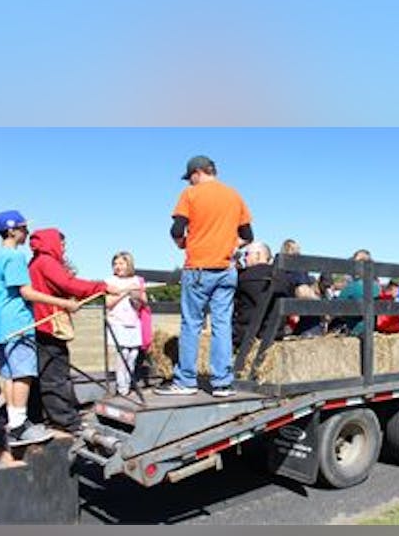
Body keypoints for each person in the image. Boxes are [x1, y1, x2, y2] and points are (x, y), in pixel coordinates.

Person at [155, 155, 253, 397]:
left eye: (190, 178)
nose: (189, 182)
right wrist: (231, 245)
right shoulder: (234, 195)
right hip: (226, 269)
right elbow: (248, 235)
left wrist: (184, 243)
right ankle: (221, 383)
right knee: (221, 325)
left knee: (192, 324)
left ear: (198, 172)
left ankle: (186, 381)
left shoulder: (191, 194)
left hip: (198, 267)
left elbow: (176, 230)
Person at [0, 211, 79, 464]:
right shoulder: (15, 256)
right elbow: (27, 293)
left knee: (7, 374)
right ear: (11, 231)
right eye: (23, 228)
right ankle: (18, 427)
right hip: (17, 323)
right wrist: (64, 303)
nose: (26, 233)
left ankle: (14, 419)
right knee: (23, 374)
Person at [28, 228, 116, 435]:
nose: (64, 248)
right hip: (48, 324)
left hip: (39, 322)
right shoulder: (47, 261)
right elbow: (67, 284)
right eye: (62, 244)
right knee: (55, 374)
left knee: (42, 374)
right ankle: (65, 421)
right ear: (52, 243)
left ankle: (42, 416)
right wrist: (102, 287)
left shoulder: (36, 261)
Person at [232, 241, 293, 351]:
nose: (244, 258)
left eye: (247, 254)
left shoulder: (243, 277)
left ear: (258, 255)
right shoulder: (284, 278)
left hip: (245, 338)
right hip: (276, 335)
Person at [105, 251, 147, 397]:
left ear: (128, 264)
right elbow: (108, 303)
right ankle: (122, 386)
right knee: (122, 354)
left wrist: (137, 296)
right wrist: (124, 291)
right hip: (117, 322)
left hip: (133, 321)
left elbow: (143, 302)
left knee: (133, 354)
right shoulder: (110, 281)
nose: (117, 266)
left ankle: (128, 383)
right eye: (115, 264)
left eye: (121, 263)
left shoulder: (136, 280)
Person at [334, 249, 380, 335]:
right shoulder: (377, 287)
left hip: (354, 332)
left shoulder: (351, 287)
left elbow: (337, 310)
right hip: (373, 332)